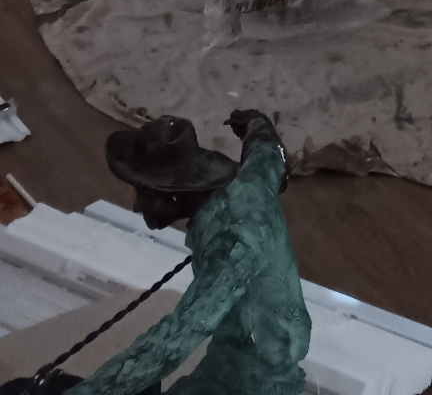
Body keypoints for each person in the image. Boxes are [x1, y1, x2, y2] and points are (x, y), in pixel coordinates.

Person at [64, 109, 310, 395]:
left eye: (146, 193)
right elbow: (268, 154)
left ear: (174, 194)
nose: (137, 206)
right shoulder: (250, 184)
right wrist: (257, 126)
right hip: (226, 360)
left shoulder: (232, 247)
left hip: (255, 384)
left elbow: (174, 342)